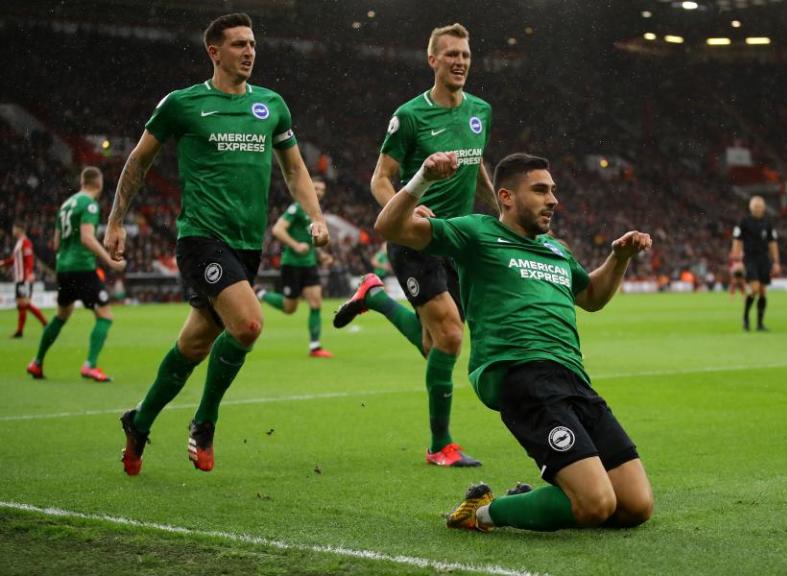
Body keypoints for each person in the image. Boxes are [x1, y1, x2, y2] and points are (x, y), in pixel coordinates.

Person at [376, 151, 654, 532]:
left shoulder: (557, 249)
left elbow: (591, 297)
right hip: (520, 374)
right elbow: (390, 226)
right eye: (540, 190)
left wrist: (619, 258)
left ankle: (531, 498)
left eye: (553, 191)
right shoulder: (477, 232)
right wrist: (422, 178)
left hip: (573, 379)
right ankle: (481, 512)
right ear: (506, 197)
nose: (553, 200)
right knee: (596, 504)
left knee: (636, 506)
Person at [104, 13, 328, 476]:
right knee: (247, 325)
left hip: (248, 245)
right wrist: (116, 221)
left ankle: (139, 420)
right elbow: (138, 161)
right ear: (214, 51)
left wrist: (315, 216)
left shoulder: (271, 105)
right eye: (239, 44)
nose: (249, 51)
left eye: (252, 44)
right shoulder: (183, 104)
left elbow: (294, 169)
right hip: (202, 239)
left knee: (194, 343)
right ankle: (205, 420)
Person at [333, 23, 496, 468]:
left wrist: (500, 208)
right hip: (414, 239)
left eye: (465, 54)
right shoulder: (410, 116)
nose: (460, 61)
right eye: (451, 55)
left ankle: (377, 299)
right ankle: (439, 445)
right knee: (450, 336)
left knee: (434, 348)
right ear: (433, 61)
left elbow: (476, 164)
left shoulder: (480, 110)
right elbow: (380, 179)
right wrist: (406, 210)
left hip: (457, 241)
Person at [26, 167, 125, 381]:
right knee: (105, 316)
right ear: (98, 184)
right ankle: (90, 365)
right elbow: (87, 238)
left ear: (82, 182)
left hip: (64, 267)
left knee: (61, 315)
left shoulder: (65, 205)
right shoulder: (89, 204)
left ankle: (37, 362)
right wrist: (110, 260)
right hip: (82, 267)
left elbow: (55, 242)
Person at [257, 176, 334, 358]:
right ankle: (261, 293)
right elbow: (278, 229)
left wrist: (321, 256)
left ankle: (315, 347)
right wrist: (295, 245)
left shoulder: (316, 213)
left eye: (322, 190)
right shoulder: (298, 207)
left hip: (309, 264)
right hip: (292, 264)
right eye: (315, 188)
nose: (319, 192)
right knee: (289, 308)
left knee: (316, 302)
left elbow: (308, 240)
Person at [731, 196, 780, 331]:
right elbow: (737, 239)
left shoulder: (767, 223)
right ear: (750, 208)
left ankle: (760, 324)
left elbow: (773, 243)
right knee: (754, 288)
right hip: (750, 258)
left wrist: (776, 261)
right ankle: (746, 318)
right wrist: (735, 258)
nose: (758, 209)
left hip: (764, 259)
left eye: (760, 207)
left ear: (764, 208)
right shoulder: (744, 222)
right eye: (755, 207)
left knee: (763, 292)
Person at [2, 222, 47, 338]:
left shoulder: (25, 242)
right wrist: (3, 263)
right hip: (19, 278)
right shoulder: (19, 243)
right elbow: (15, 260)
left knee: (24, 304)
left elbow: (29, 258)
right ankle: (20, 331)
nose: (12, 230)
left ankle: (46, 325)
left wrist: (30, 273)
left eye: (14, 228)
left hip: (24, 278)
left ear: (19, 229)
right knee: (21, 305)